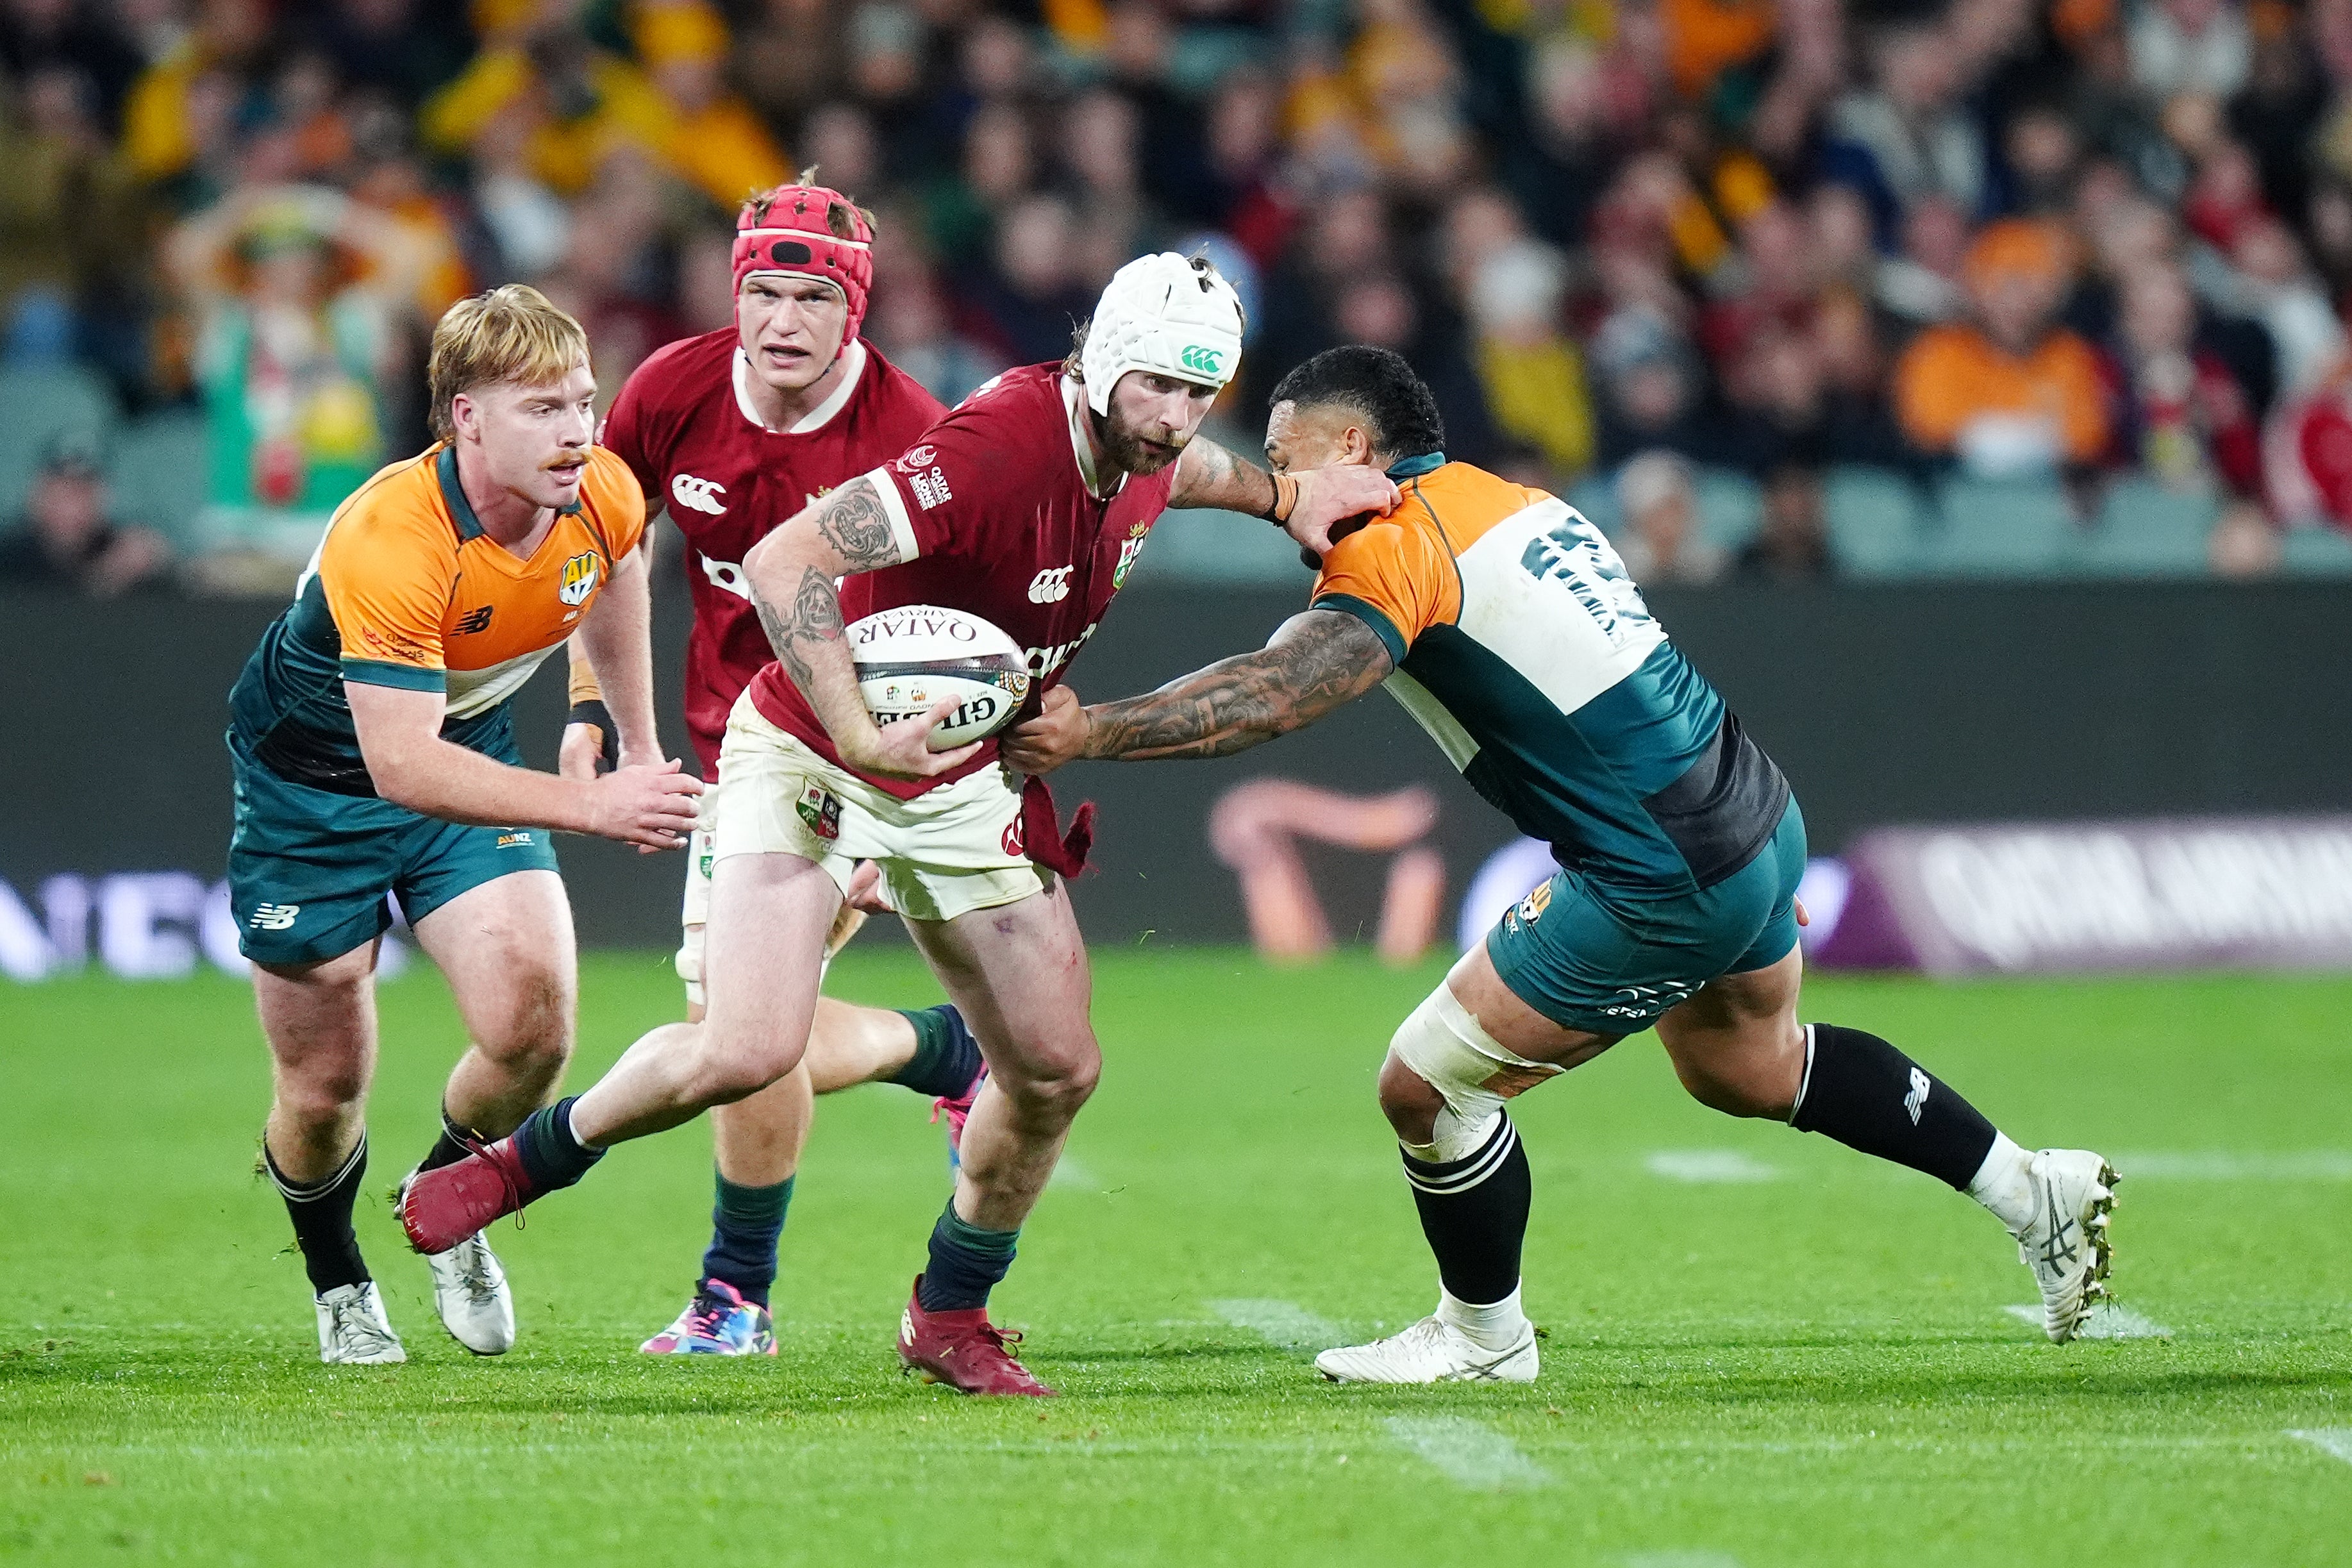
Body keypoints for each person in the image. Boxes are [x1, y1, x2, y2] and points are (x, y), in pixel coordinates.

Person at [1004, 345, 2119, 1383]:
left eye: (1286, 460)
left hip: (1656, 866)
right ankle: (2032, 1189)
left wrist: (1089, 730)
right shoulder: (1511, 501)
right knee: (1746, 1066)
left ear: (1351, 452)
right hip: (1752, 810)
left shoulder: (1395, 537)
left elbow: (1279, 690)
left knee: (1423, 1084)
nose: (1280, 494)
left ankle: (1481, 1336)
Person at [401, 252, 1399, 1395]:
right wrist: (859, 733)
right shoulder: (998, 448)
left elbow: (1186, 474)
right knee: (745, 1046)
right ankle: (518, 1171)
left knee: (1055, 1069)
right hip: (813, 744)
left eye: (1196, 393)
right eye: (1156, 388)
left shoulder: (1147, 447)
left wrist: (1285, 496)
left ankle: (949, 1314)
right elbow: (786, 562)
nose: (1173, 418)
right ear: (1103, 365)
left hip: (967, 774)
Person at [226, 285, 703, 1365]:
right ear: (465, 419)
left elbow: (621, 565)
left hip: (465, 746)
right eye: (542, 407)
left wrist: (621, 731)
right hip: (315, 786)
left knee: (535, 1024)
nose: (578, 429)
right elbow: (398, 763)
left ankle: (449, 1199)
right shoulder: (393, 535)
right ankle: (339, 1280)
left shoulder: (601, 490)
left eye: (583, 400)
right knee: (322, 1087)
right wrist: (592, 805)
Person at [559, 177, 992, 1358]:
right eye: (764, 292)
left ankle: (733, 1296)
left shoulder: (913, 438)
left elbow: (953, 643)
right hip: (716, 740)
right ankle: (939, 1048)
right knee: (747, 1029)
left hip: (834, 755)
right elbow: (606, 552)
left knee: (731, 1028)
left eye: (812, 296)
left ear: (854, 310)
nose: (784, 320)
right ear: (732, 292)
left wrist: (881, 816)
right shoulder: (667, 391)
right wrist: (602, 712)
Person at [0, 434, 169, 596]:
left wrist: (158, 563)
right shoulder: (9, 555)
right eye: (63, 493)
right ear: (38, 493)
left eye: (84, 495)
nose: (72, 508)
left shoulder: (115, 547)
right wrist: (106, 578)